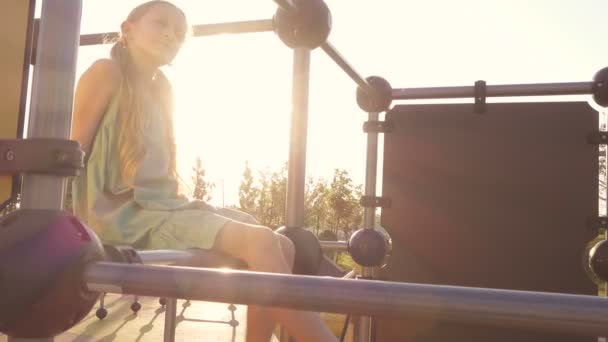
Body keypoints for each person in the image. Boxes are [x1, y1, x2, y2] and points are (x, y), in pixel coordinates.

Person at [71, 1, 338, 341]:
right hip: (122, 215)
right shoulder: (106, 72)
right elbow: (74, 149)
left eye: (180, 32)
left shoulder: (162, 89)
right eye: (161, 24)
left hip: (164, 208)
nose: (171, 34)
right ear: (128, 30)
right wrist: (64, 228)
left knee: (281, 244)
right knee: (259, 242)